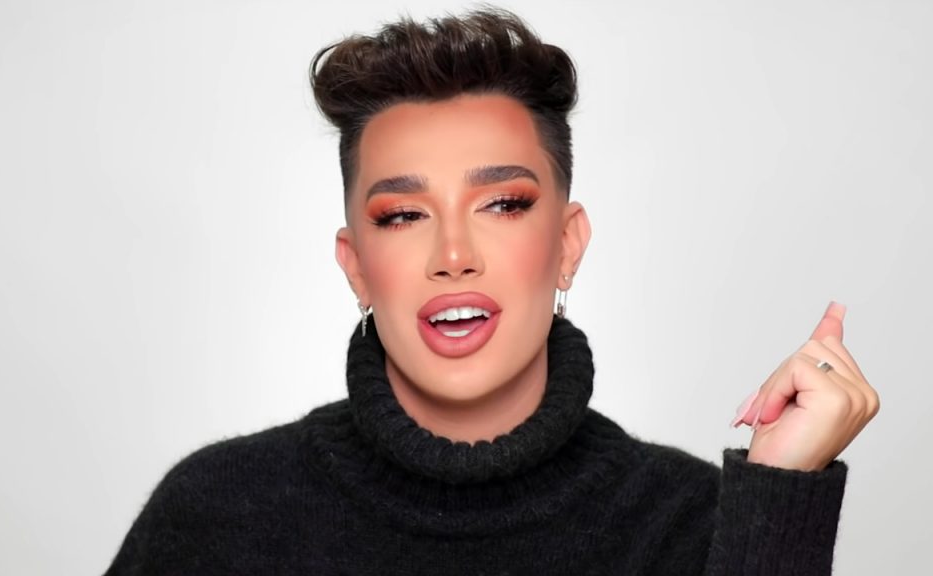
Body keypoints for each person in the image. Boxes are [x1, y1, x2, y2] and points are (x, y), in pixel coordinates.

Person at [104, 9, 878, 575]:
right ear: (356, 266)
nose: (453, 256)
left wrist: (779, 500)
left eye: (503, 204)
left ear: (567, 245)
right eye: (402, 215)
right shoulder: (217, 514)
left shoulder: (697, 524)